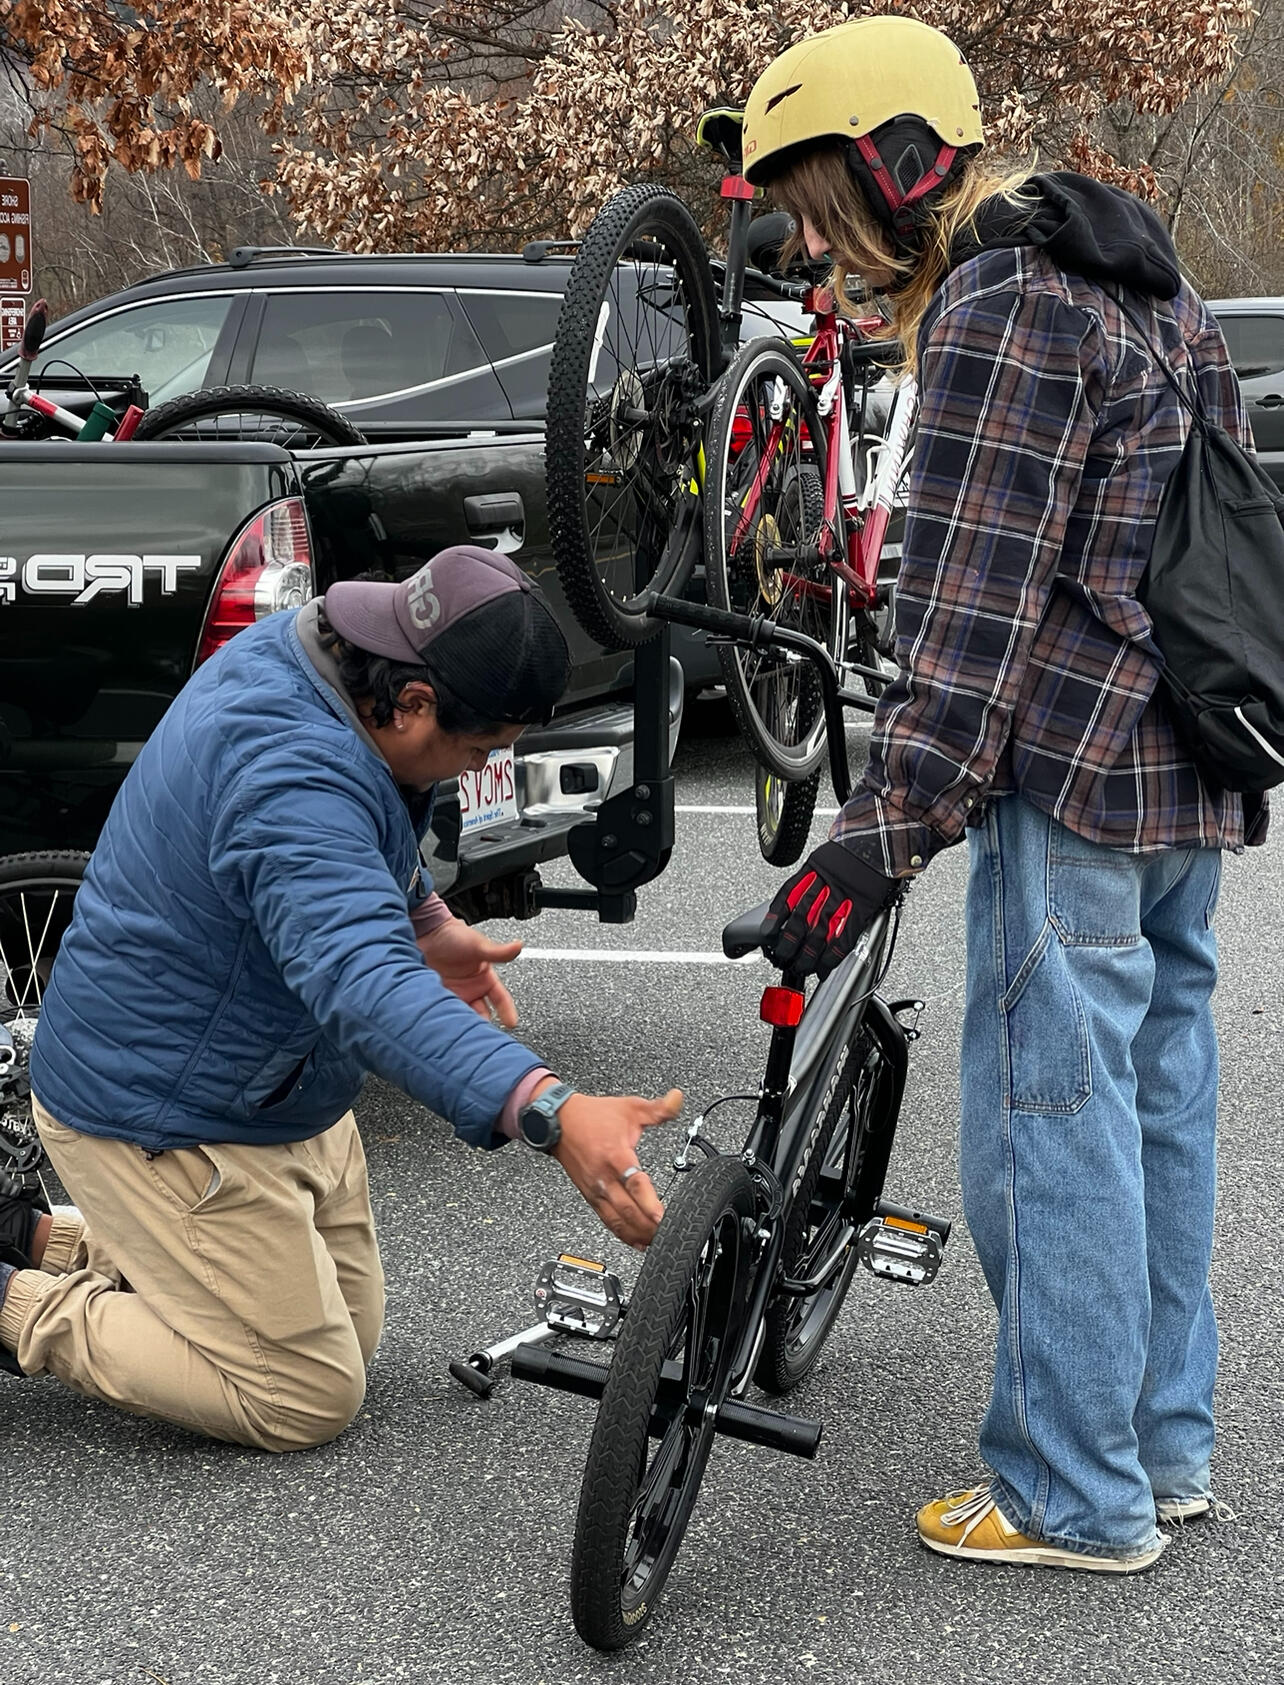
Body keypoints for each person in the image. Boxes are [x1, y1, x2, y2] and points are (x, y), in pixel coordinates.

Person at [742, 16, 1265, 1572]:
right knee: (1155, 1116)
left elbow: (972, 623)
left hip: (1075, 780)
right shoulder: (1143, 279)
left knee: (1049, 1139)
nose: (814, 254)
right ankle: (1159, 1451)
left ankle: (1067, 1491)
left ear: (896, 167)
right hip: (1187, 768)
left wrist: (870, 844)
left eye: (820, 211)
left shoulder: (1000, 301)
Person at [0, 544, 680, 1450]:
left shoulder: (333, 653)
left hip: (265, 1083)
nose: (472, 769)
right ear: (415, 701)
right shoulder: (289, 768)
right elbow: (364, 981)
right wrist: (548, 1107)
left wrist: (427, 921)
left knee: (351, 1332)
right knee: (305, 1390)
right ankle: (14, 1303)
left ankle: (34, 1234)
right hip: (158, 1107)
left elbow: (361, 836)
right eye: (479, 749)